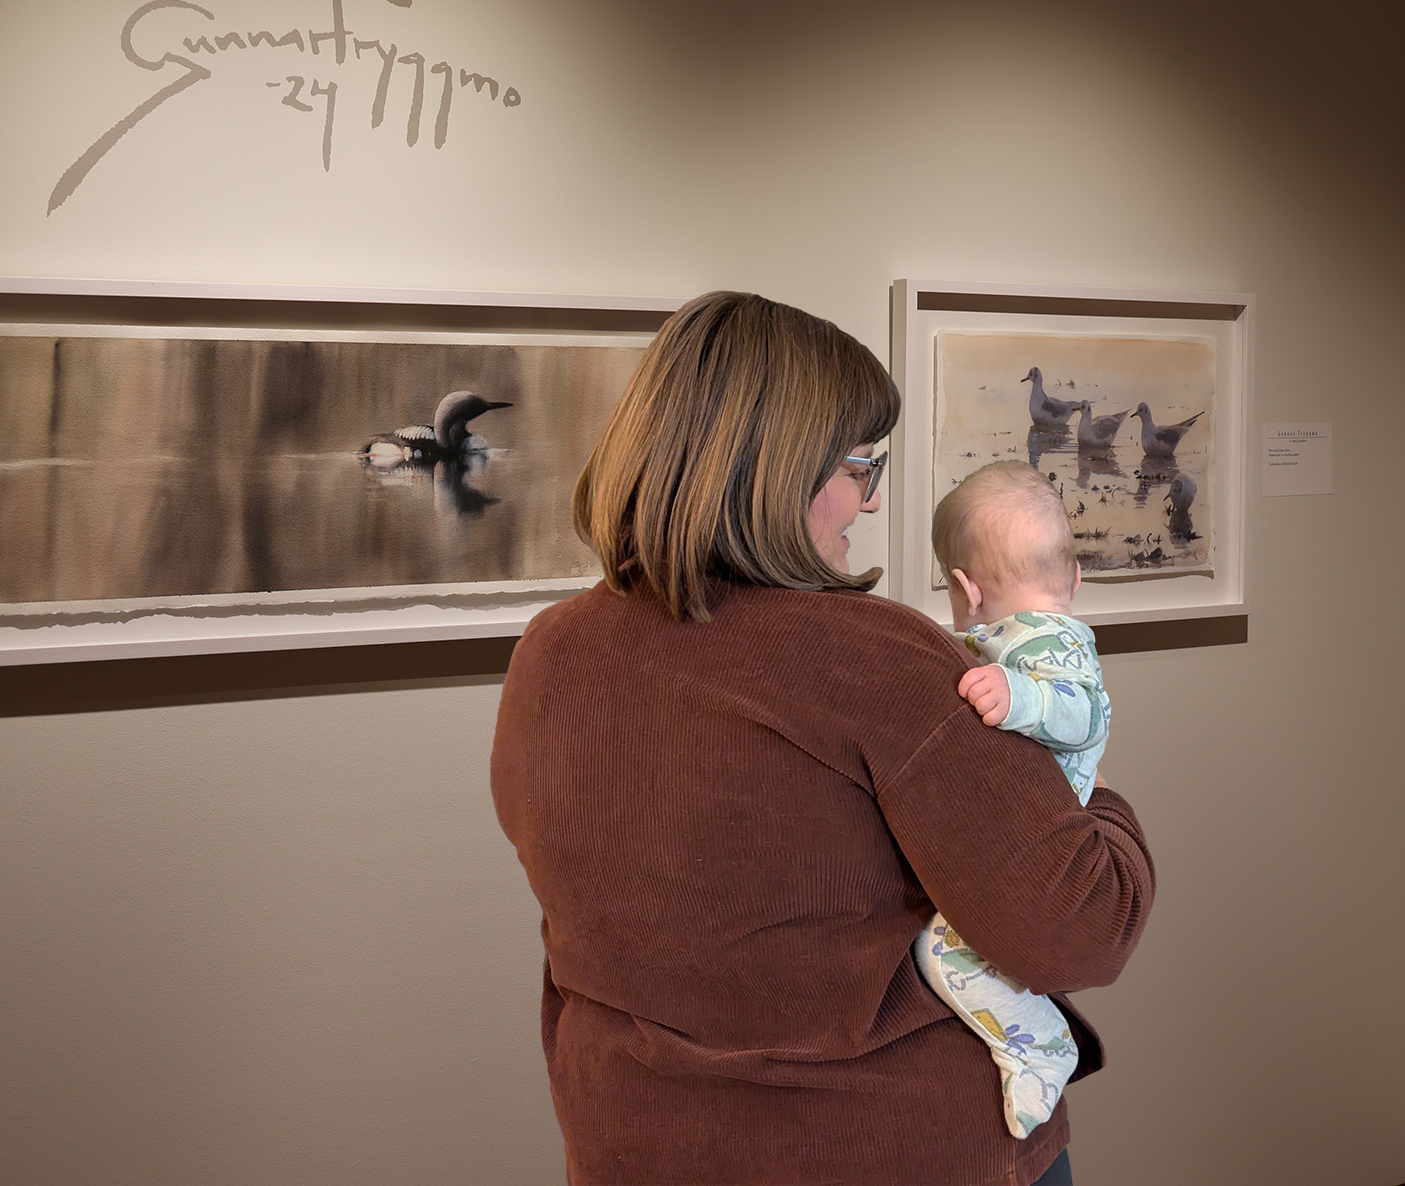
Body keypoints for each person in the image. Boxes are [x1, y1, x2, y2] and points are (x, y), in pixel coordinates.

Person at [491, 292, 1154, 1186]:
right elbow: (1084, 924)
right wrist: (1088, 776)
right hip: (897, 1154)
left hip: (633, 1148)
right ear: (774, 466)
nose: (868, 502)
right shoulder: (877, 657)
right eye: (855, 467)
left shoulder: (551, 653)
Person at [916, 462, 1111, 1141]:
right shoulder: (1010, 639)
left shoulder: (1050, 642)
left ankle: (1037, 1044)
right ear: (1077, 575)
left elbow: (1081, 712)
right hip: (1015, 832)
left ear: (966, 589)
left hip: (1035, 842)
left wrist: (1017, 696)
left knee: (946, 952)